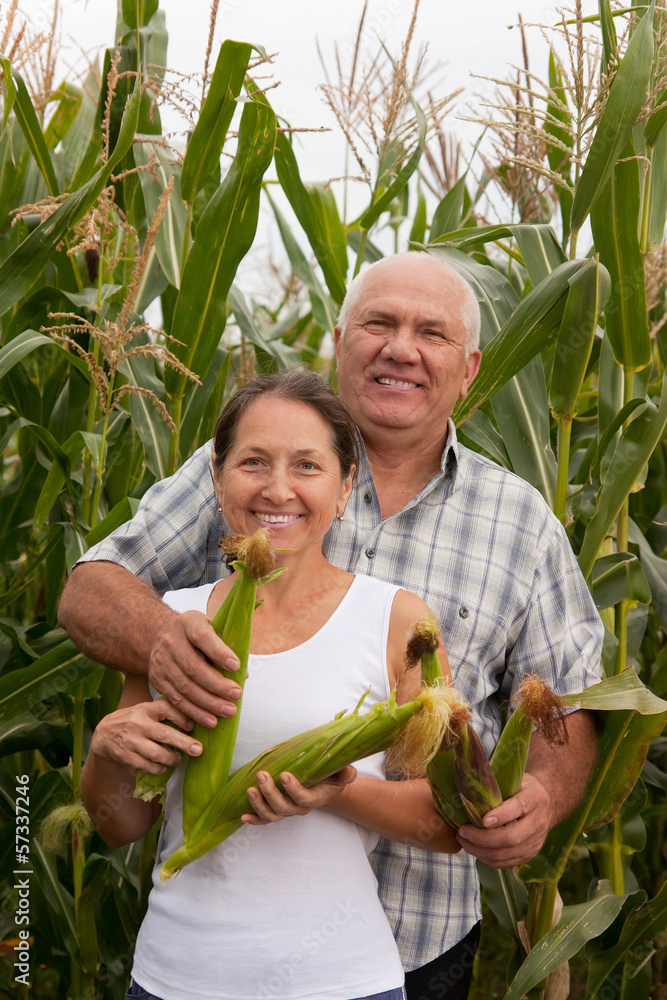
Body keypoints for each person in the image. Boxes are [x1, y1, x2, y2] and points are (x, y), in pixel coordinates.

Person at [61, 252, 603, 1000]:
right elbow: (92, 588)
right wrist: (162, 643)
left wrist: (538, 795)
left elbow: (568, 704)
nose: (400, 348)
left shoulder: (520, 523)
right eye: (378, 324)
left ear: (471, 366)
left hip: (416, 941)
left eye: (431, 333)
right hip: (204, 952)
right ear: (340, 338)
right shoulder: (247, 474)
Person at [81, 369, 460, 1000]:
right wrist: (106, 751)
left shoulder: (398, 620)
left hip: (344, 983)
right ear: (218, 481)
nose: (278, 488)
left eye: (308, 466)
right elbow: (118, 826)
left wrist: (336, 794)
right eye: (253, 461)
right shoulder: (176, 623)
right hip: (175, 979)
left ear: (346, 488)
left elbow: (446, 825)